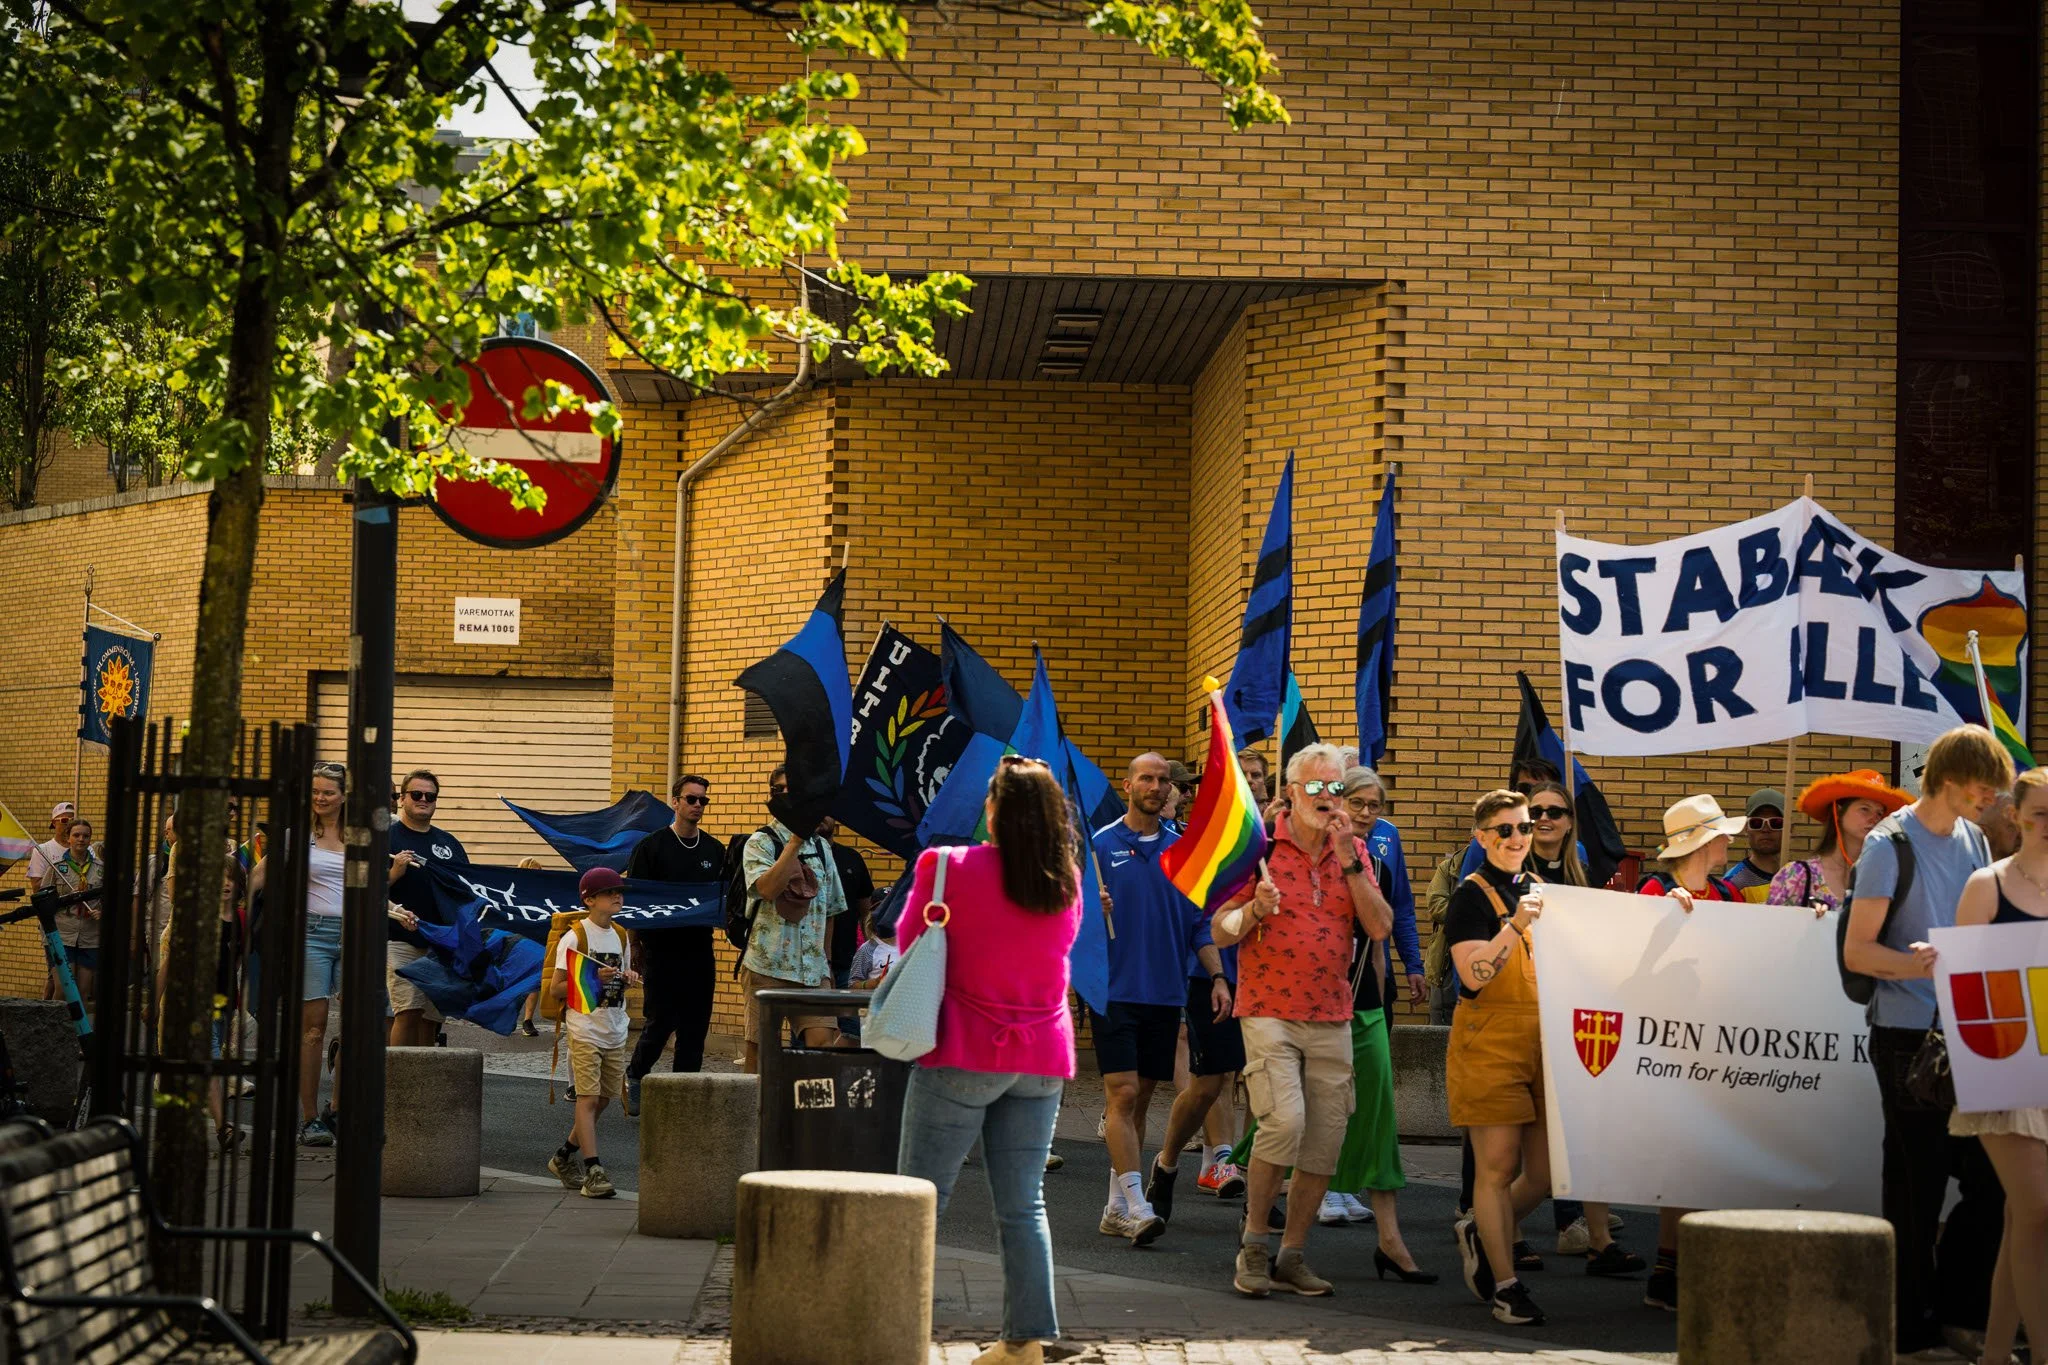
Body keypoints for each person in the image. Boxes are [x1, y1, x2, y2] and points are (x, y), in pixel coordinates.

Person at [896, 755, 1083, 1365]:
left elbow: (907, 945)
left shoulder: (945, 867)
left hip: (963, 1050)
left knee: (918, 1197)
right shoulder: (1066, 882)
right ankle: (1025, 1344)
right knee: (1024, 1205)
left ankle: (894, 1329)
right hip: (1041, 1058)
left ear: (994, 811)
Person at [1844, 724, 2009, 1353]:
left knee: (1989, 1182)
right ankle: (1908, 1326)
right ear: (1949, 779)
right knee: (1916, 1189)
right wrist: (1926, 964)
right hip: (1906, 1038)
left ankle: (1957, 1310)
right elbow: (1860, 953)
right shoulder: (1888, 846)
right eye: (1983, 785)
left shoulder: (1970, 836)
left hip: (1966, 1033)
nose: (1991, 796)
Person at [1213, 743, 1392, 1300]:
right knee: (1284, 1124)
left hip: (1332, 1013)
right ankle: (1254, 1244)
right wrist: (1255, 910)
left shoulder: (1355, 850)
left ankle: (1292, 1254)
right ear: (1290, 791)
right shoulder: (1259, 848)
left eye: (1334, 788)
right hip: (1268, 1010)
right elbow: (1221, 929)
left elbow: (1380, 928)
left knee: (1324, 1140)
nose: (1326, 798)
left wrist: (1349, 859)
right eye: (1314, 787)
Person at [1090, 753, 1221, 1245]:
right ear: (1127, 784)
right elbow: (1071, 920)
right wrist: (1089, 909)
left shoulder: (1184, 848)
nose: (1156, 785)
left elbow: (1199, 924)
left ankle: (1115, 1205)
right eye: (1146, 777)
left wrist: (1218, 977)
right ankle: (1138, 1204)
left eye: (1163, 779)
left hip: (1166, 993)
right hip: (1113, 991)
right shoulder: (1099, 846)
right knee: (1122, 1094)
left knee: (1142, 1096)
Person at [1443, 789, 1553, 1326]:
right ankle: (1507, 1286)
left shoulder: (1542, 888)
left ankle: (1479, 1227)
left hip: (1541, 1042)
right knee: (1497, 1166)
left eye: (1525, 827)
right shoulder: (1470, 896)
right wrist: (1515, 925)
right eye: (1505, 829)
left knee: (1549, 1173)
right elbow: (1471, 975)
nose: (1518, 838)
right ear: (1482, 837)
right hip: (1487, 1041)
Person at [1634, 793, 1747, 1312]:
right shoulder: (1652, 891)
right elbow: (1630, 970)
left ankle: (1691, 1268)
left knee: (1712, 1158)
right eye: (1723, 832)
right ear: (1705, 840)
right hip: (1669, 1045)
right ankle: (1668, 1269)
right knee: (1682, 1159)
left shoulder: (1728, 894)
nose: (1730, 840)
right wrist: (1663, 924)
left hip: (1720, 1045)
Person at [1950, 765, 2048, 1365]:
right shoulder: (1986, 885)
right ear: (2016, 816)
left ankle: (1993, 1354)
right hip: (2002, 1062)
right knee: (2039, 1210)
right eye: (2040, 815)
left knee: (2023, 1221)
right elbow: (1964, 982)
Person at [623, 774, 726, 1115]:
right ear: (676, 802)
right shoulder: (652, 847)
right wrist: (635, 948)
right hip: (661, 951)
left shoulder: (713, 850)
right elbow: (634, 902)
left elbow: (724, 897)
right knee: (660, 1022)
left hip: (699, 949)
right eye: (691, 799)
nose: (697, 806)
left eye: (702, 801)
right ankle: (636, 1075)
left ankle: (684, 1093)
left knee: (695, 1027)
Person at [739, 769, 848, 1072]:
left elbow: (831, 909)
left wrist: (825, 959)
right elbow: (767, 889)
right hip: (767, 963)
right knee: (761, 1052)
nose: (784, 795)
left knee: (823, 1047)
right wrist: (794, 842)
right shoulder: (760, 842)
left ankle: (810, 1118)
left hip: (813, 969)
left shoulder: (823, 847)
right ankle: (757, 1118)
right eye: (777, 790)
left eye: (791, 789)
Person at [547, 866, 641, 1199]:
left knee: (604, 1100)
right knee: (587, 1099)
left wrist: (626, 978)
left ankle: (563, 1156)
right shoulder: (575, 936)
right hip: (585, 1027)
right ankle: (593, 1170)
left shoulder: (620, 934)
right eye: (609, 892)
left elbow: (619, 984)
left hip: (615, 1027)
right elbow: (556, 989)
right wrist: (589, 979)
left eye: (619, 891)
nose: (618, 895)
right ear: (589, 899)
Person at [276, 761, 348, 1146]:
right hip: (313, 934)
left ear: (343, 797)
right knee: (313, 1028)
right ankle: (309, 1117)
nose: (320, 798)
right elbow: (264, 874)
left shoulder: (359, 836)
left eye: (328, 792)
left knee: (358, 1025)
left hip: (354, 936)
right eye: (315, 791)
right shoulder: (298, 836)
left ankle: (336, 1107)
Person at [385, 769, 468, 1046]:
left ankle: (423, 1082)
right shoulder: (386, 838)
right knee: (407, 1011)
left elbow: (466, 891)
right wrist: (394, 873)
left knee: (432, 1018)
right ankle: (396, 1083)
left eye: (430, 796)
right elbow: (364, 891)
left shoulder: (450, 843)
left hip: (442, 944)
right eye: (416, 794)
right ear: (402, 799)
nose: (423, 799)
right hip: (400, 939)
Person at [1342, 767, 1426, 1012]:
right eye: (1356, 803)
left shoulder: (1388, 835)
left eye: (1373, 805)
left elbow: (1400, 908)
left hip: (1375, 971)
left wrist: (1413, 965)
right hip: (1327, 979)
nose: (1364, 813)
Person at [1767, 771, 1909, 913]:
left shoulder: (1886, 880)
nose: (1874, 818)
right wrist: (1809, 923)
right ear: (1839, 811)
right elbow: (1773, 930)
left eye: (1879, 813)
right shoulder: (1796, 876)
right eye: (1865, 809)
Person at [44, 816, 103, 1011]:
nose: (81, 839)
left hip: (90, 936)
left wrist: (102, 912)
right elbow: (43, 901)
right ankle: (53, 1036)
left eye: (86, 836)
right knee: (62, 990)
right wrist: (68, 897)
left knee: (83, 991)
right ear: (68, 837)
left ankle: (79, 1038)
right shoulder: (57, 868)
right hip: (63, 934)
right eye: (76, 835)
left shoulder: (100, 870)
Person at [1726, 788, 1786, 901]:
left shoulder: (1799, 878)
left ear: (1790, 829)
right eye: (1756, 823)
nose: (1766, 829)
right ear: (1746, 828)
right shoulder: (1733, 883)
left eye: (1776, 823)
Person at [26, 802, 76, 894]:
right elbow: (37, 888)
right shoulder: (42, 850)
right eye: (64, 820)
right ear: (54, 822)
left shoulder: (87, 850)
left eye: (72, 820)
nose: (69, 824)